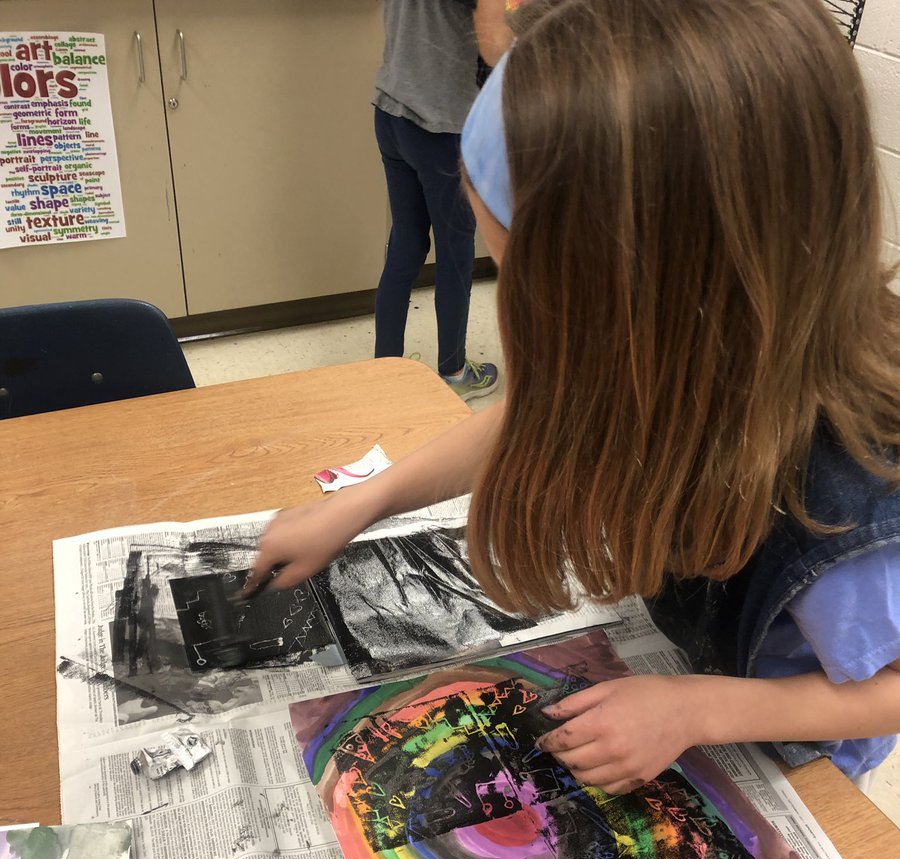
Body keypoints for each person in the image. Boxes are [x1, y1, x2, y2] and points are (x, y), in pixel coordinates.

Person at [255, 0, 900, 792]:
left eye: (517, 282)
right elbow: (533, 415)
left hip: (788, 753)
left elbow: (887, 688)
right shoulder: (670, 349)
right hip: (674, 683)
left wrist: (698, 709)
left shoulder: (849, 486)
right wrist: (361, 503)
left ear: (635, 295)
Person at [373, 0, 510, 400]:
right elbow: (492, 44)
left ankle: (384, 373)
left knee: (406, 243)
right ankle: (453, 372)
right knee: (455, 253)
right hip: (440, 124)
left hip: (391, 110)